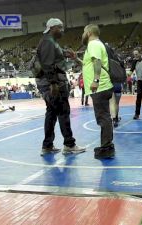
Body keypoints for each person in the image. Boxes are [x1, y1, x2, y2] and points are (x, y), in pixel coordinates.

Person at [37, 18, 85, 156]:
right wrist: (53, 83)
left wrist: (65, 53)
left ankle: (47, 146)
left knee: (51, 113)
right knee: (63, 112)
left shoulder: (50, 42)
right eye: (60, 27)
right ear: (52, 28)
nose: (62, 30)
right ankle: (69, 145)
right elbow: (47, 63)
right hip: (53, 83)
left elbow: (53, 55)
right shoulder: (47, 42)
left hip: (50, 82)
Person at [81, 24, 115, 159]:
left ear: (89, 32)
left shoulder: (93, 44)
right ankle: (106, 145)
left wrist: (95, 80)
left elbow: (97, 62)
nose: (83, 34)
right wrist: (76, 59)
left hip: (99, 87)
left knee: (103, 117)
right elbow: (90, 63)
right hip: (102, 86)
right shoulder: (96, 44)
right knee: (104, 116)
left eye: (84, 32)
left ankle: (107, 147)